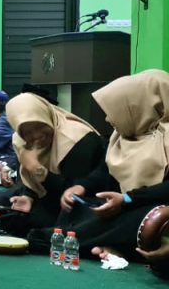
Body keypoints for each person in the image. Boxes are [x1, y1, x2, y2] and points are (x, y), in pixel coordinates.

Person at [28, 70, 169, 278]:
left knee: (143, 219)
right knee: (79, 205)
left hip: (144, 207)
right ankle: (104, 246)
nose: (107, 118)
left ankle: (55, 240)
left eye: (116, 110)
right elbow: (104, 172)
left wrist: (127, 199)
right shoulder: (120, 137)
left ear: (139, 106)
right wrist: (81, 187)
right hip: (118, 206)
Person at [0, 92, 105, 235]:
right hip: (41, 194)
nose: (36, 135)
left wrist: (38, 170)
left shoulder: (77, 141)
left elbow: (73, 192)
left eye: (39, 126)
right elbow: (27, 182)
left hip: (69, 202)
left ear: (45, 116)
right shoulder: (21, 140)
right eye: (27, 132)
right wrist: (27, 197)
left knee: (42, 222)